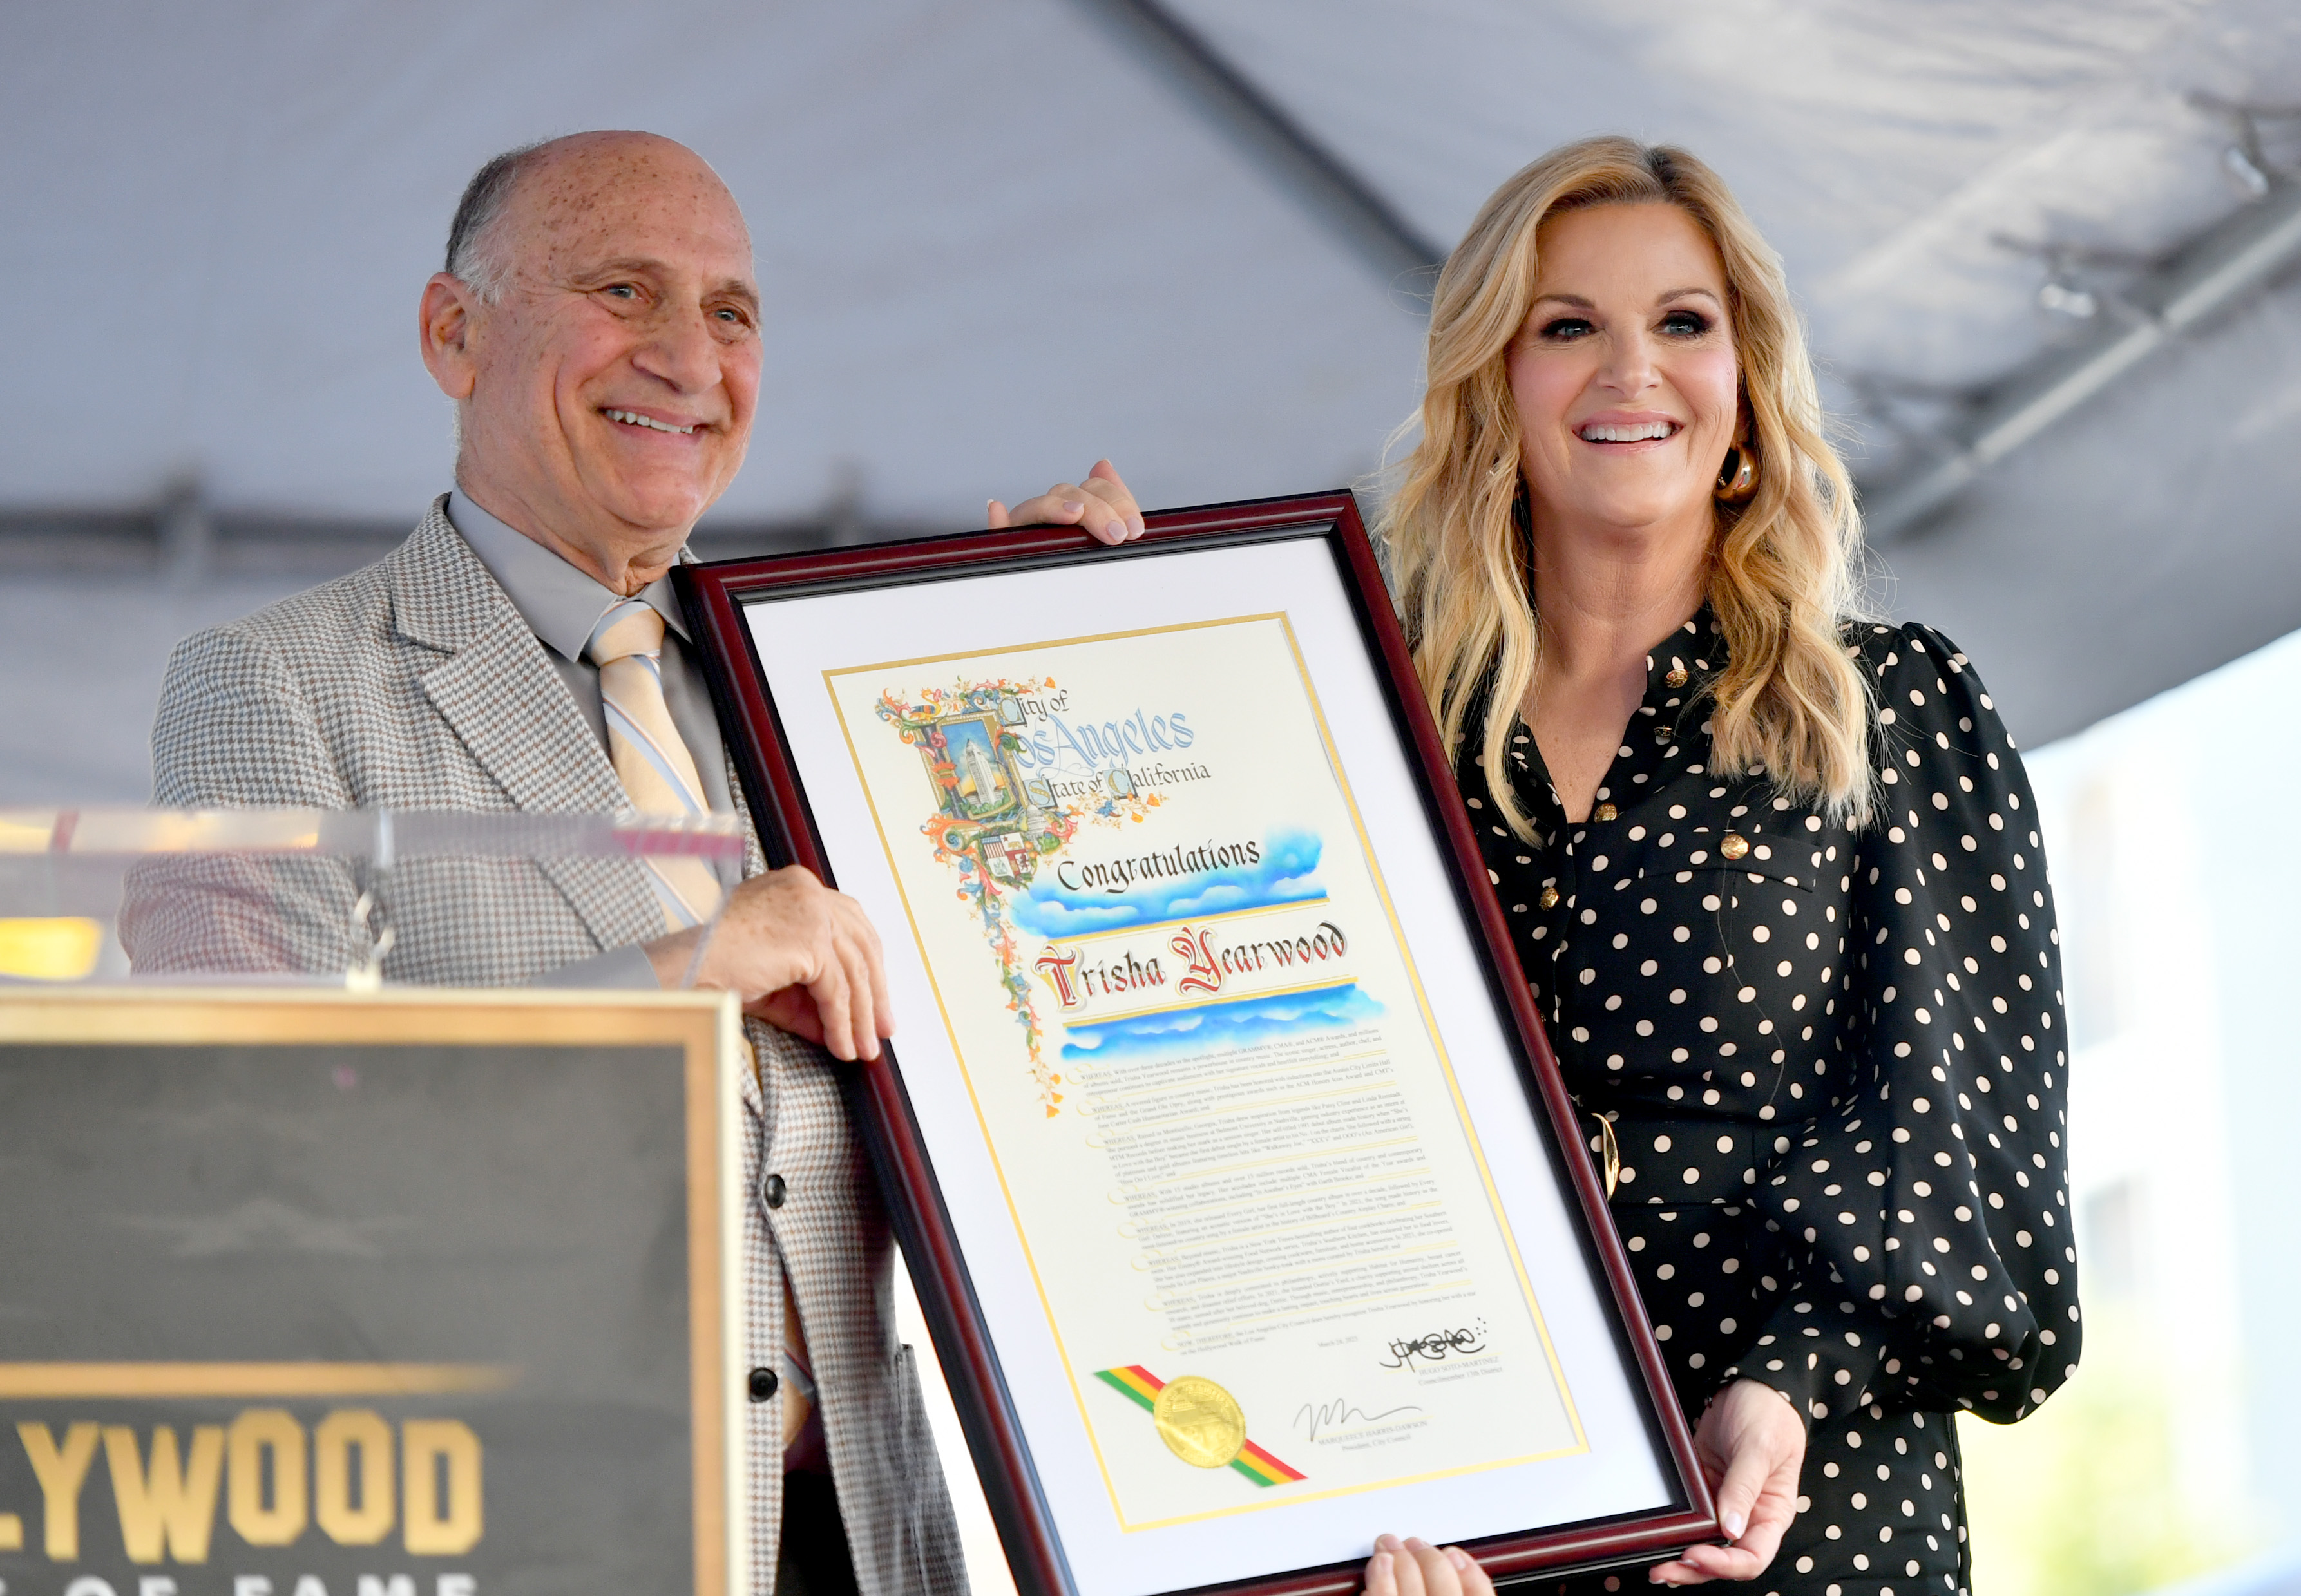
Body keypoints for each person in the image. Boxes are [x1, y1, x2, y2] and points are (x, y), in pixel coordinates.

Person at [125, 129, 1143, 1596]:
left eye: (731, 313)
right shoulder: (275, 683)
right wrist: (671, 981)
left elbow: (1042, 1022)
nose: (688, 357)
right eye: (623, 290)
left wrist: (1048, 651)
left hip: (873, 1545)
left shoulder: (829, 679)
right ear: (453, 334)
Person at [1364, 137, 2078, 1594]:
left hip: (1793, 1501)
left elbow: (1972, 1149)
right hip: (1461, 1513)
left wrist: (1789, 1382)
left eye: (1682, 325)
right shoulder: (1369, 732)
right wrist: (1076, 598)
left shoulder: (1888, 708)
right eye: (1568, 328)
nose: (1632, 372)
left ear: (1745, 384)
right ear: (1493, 382)